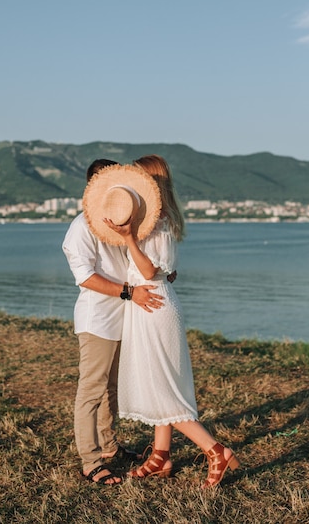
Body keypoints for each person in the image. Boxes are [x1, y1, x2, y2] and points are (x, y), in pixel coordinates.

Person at [103, 154, 240, 488]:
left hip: (153, 305)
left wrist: (128, 237)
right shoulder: (154, 219)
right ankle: (161, 456)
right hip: (149, 302)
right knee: (158, 382)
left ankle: (216, 450)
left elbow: (149, 270)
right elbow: (158, 269)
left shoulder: (158, 221)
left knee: (162, 388)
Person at [62, 159, 165, 485]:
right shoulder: (81, 228)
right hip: (98, 320)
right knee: (91, 391)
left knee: (110, 390)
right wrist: (129, 292)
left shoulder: (124, 223)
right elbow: (86, 278)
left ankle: (109, 447)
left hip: (125, 317)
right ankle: (90, 461)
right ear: (93, 190)